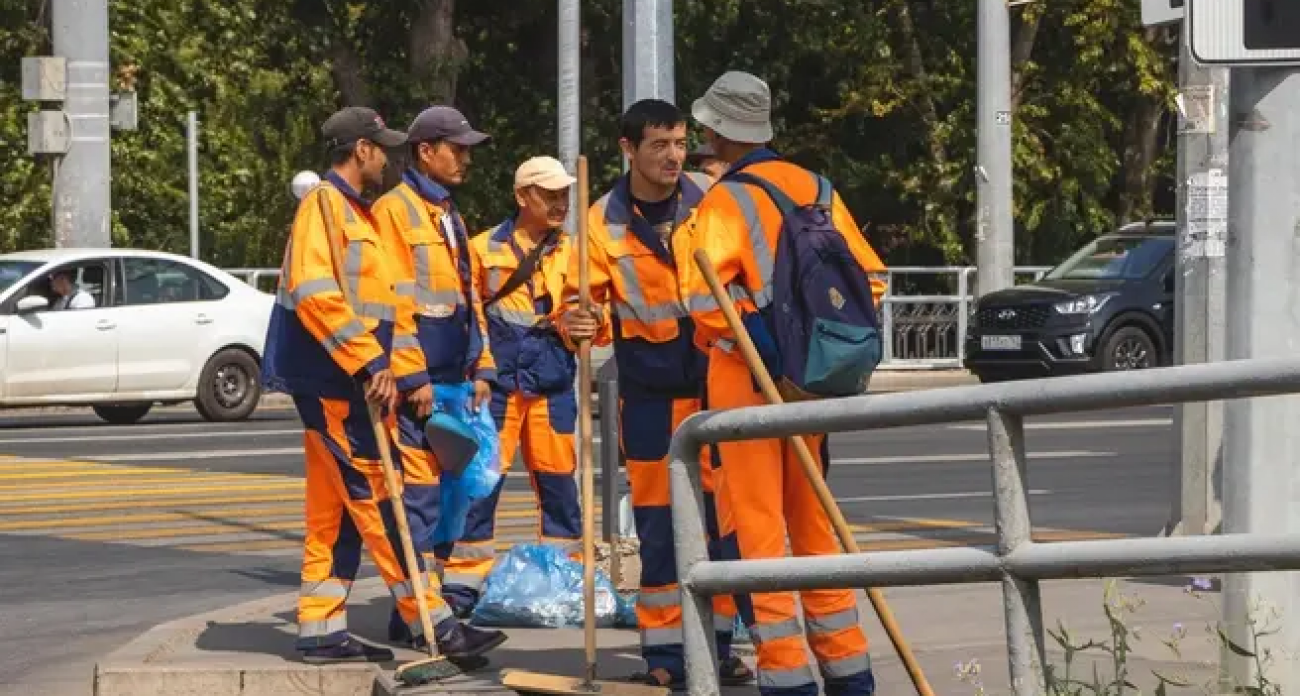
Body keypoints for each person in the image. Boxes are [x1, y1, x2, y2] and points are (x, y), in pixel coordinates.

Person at [678, 71, 888, 696]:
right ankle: (849, 672)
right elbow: (870, 281)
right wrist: (807, 354)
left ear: (717, 132)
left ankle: (787, 677)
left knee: (759, 532)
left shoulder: (724, 201)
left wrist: (767, 349)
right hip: (814, 381)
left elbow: (704, 303)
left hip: (748, 383)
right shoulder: (817, 187)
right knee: (817, 527)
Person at [260, 106, 476, 663]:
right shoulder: (324, 205)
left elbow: (392, 309)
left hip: (357, 384)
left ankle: (321, 629)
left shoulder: (362, 215)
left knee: (334, 513)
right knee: (380, 501)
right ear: (361, 149)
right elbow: (314, 291)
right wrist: (366, 363)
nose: (388, 159)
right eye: (382, 148)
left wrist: (395, 370)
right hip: (334, 383)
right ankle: (434, 622)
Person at [557, 98, 752, 690]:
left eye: (680, 143)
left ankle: (719, 647)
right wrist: (579, 323)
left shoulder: (711, 200)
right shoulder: (601, 221)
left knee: (723, 524)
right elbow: (579, 304)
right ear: (629, 149)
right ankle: (666, 654)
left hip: (717, 386)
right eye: (660, 145)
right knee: (659, 525)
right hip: (648, 396)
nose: (674, 156)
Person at [369, 105, 506, 660]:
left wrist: (483, 364)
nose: (466, 159)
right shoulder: (394, 212)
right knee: (420, 502)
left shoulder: (447, 212)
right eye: (458, 149)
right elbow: (393, 301)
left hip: (455, 382)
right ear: (426, 151)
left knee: (451, 503)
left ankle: (424, 613)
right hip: (420, 387)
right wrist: (412, 374)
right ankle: (424, 618)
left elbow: (467, 296)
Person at [438, 155, 584, 615]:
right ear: (522, 196)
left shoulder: (576, 252)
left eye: (564, 194)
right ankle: (464, 582)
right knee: (481, 485)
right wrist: (475, 370)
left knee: (560, 487)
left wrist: (589, 324)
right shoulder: (483, 249)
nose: (560, 203)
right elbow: (468, 316)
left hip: (552, 384)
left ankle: (565, 580)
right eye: (550, 195)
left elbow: (593, 313)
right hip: (496, 386)